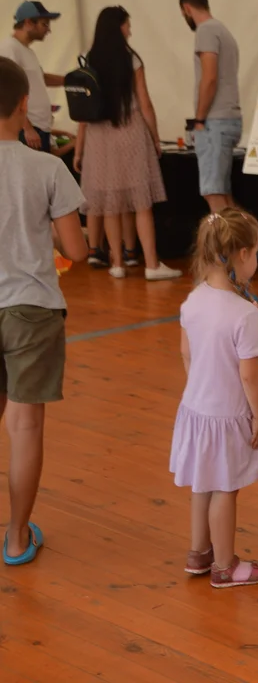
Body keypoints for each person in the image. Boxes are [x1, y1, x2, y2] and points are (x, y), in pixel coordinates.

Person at [0, 56, 88, 565]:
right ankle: (15, 538)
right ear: (23, 104)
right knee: (26, 427)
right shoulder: (47, 166)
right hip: (31, 308)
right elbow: (76, 252)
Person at [169, 207, 258, 588]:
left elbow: (186, 353)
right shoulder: (245, 314)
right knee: (225, 488)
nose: (256, 259)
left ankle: (199, 553)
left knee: (203, 483)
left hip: (196, 410)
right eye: (257, 252)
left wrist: (199, 387)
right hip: (227, 416)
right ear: (242, 254)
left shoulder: (193, 299)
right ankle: (226, 566)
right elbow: (250, 375)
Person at [74, 7, 181, 281]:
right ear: (118, 26)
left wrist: (79, 147)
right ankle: (152, 265)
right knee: (141, 203)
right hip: (130, 129)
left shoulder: (89, 59)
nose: (130, 30)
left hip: (99, 135)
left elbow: (83, 110)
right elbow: (144, 102)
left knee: (110, 202)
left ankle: (117, 263)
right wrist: (155, 136)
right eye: (127, 25)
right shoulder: (131, 59)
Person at [179, 0, 243, 213]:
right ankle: (246, 244)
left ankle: (227, 247)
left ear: (187, 9)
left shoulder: (206, 31)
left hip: (214, 121)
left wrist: (199, 119)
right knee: (222, 193)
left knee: (213, 193)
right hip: (228, 118)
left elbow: (210, 78)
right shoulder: (223, 31)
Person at [0, 1, 64, 153]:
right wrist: (27, 128)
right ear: (28, 22)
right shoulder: (9, 48)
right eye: (44, 24)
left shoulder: (26, 51)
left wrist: (71, 79)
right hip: (29, 130)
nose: (48, 30)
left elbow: (41, 78)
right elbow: (8, 91)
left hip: (40, 128)